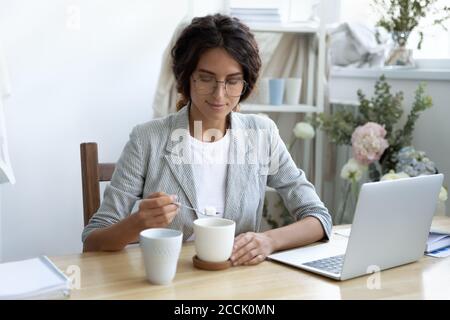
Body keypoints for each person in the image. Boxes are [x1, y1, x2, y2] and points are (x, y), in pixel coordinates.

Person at [82, 13, 332, 266]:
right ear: (186, 77)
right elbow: (92, 241)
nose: (219, 94)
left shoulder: (261, 135)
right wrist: (137, 223)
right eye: (206, 78)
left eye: (232, 81)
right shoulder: (147, 139)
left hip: (238, 285)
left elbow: (318, 218)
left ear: (245, 83)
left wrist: (269, 240)